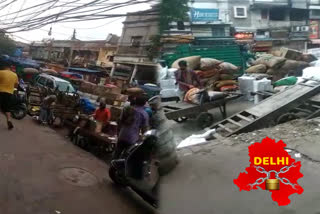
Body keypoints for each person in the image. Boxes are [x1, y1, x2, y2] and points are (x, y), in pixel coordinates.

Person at [113, 94, 150, 159]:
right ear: (144, 103)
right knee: (125, 157)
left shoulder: (126, 109)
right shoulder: (144, 114)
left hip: (122, 134)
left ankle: (112, 168)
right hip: (132, 138)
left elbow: (119, 121)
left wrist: (118, 133)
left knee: (116, 154)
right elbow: (144, 130)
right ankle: (120, 168)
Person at [0, 61, 18, 130]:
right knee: (7, 109)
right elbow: (16, 85)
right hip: (9, 93)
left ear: (4, 67)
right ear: (10, 67)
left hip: (0, 91)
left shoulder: (1, 72)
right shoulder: (14, 75)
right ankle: (9, 120)